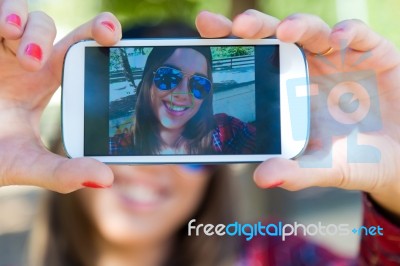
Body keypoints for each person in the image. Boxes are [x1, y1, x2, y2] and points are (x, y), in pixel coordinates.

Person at [0, 0, 399, 265]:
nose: (152, 170)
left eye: (199, 85)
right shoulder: (118, 139)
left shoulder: (275, 255)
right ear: (146, 87)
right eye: (169, 76)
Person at [111, 45, 256, 155]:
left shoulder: (229, 131)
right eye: (168, 77)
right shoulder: (114, 149)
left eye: (199, 84)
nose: (183, 93)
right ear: (147, 83)